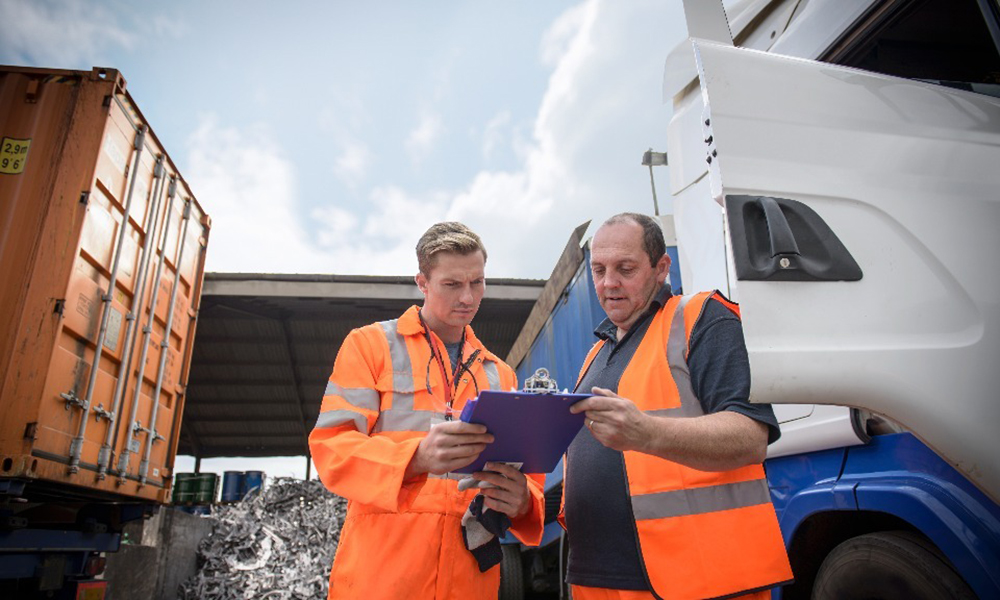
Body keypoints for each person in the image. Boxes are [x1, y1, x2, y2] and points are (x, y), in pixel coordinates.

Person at [561, 213, 793, 600]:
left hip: (697, 576)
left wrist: (647, 432)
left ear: (661, 268)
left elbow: (750, 437)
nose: (608, 282)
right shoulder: (594, 356)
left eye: (625, 269)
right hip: (596, 579)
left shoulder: (701, 319)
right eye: (598, 270)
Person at [309, 222, 545, 599]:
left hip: (469, 581)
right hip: (383, 577)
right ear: (422, 282)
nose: (467, 297)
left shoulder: (500, 374)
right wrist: (416, 458)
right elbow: (332, 448)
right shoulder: (370, 346)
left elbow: (525, 474)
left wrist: (523, 502)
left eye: (477, 282)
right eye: (452, 284)